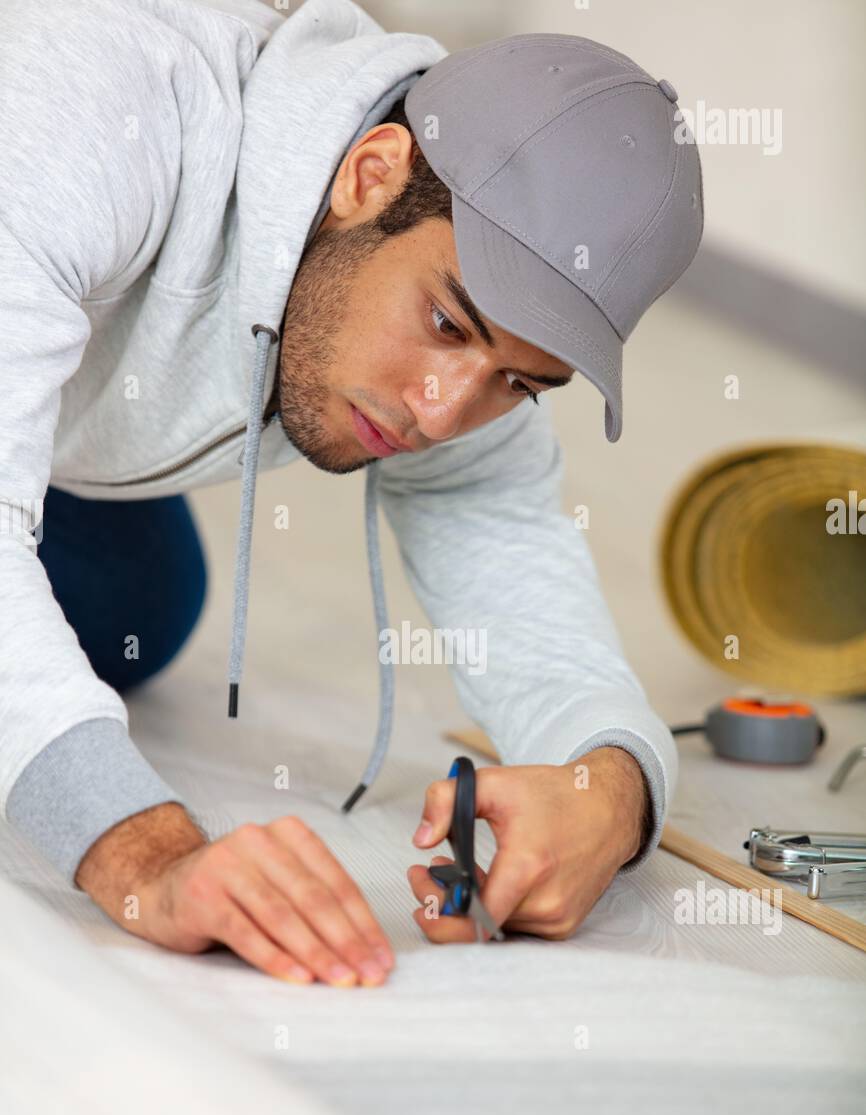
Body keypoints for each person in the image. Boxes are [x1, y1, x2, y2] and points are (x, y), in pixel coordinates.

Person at [0, 0, 703, 987]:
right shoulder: (93, 107)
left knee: (141, 610)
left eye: (519, 380)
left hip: (57, 411)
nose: (439, 409)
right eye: (448, 324)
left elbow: (497, 526)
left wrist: (607, 785)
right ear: (369, 175)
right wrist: (141, 854)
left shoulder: (453, 280)